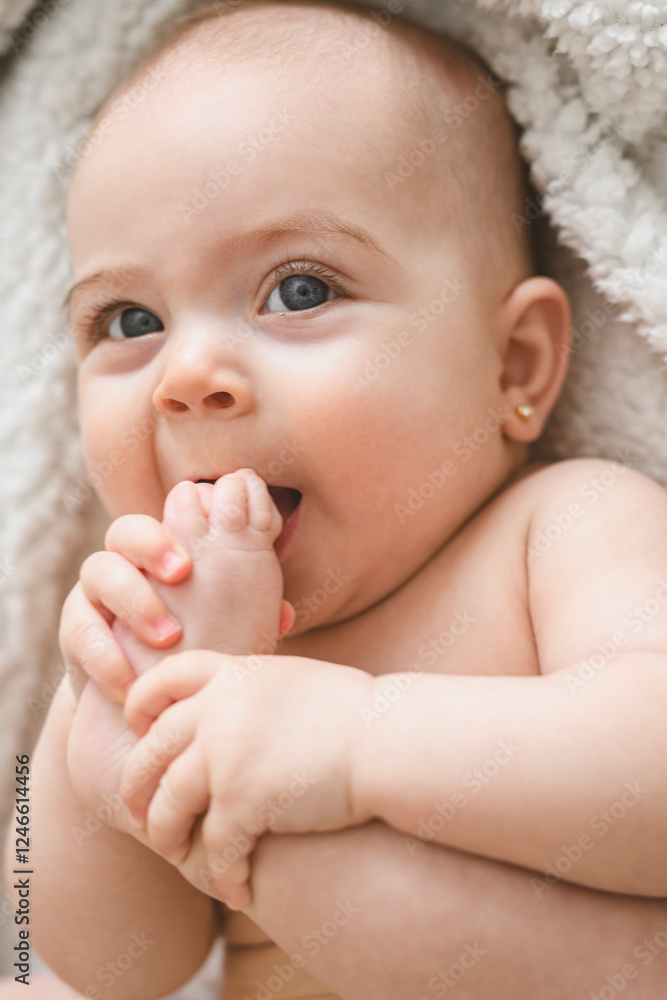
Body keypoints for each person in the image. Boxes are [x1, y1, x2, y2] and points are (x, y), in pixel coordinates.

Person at [12, 0, 667, 997]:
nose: (189, 373)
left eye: (301, 289)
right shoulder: (139, 639)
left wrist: (361, 741)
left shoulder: (556, 534)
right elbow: (65, 965)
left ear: (514, 364)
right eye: (128, 316)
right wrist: (88, 767)